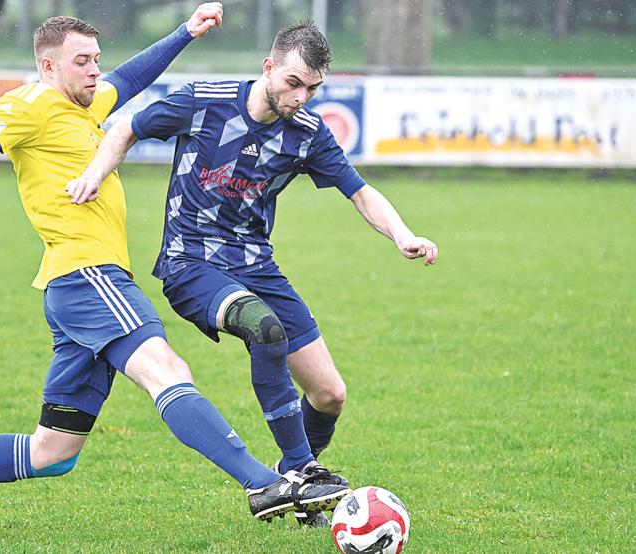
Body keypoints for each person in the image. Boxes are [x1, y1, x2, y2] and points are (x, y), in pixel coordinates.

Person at [0, 7, 350, 530]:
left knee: (52, 451)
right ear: (49, 67)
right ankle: (265, 482)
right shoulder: (29, 103)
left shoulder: (84, 106)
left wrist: (186, 32)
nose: (96, 71)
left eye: (96, 59)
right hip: (87, 274)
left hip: (76, 288)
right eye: (82, 62)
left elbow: (135, 75)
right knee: (168, 372)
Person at [68, 21, 439, 526]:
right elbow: (128, 127)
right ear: (268, 67)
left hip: (256, 265)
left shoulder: (308, 133)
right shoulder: (205, 100)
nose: (301, 97)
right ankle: (304, 470)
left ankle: (294, 482)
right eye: (293, 82)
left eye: (312, 88)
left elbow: (359, 190)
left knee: (329, 393)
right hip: (190, 261)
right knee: (264, 328)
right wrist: (97, 170)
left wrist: (403, 235)